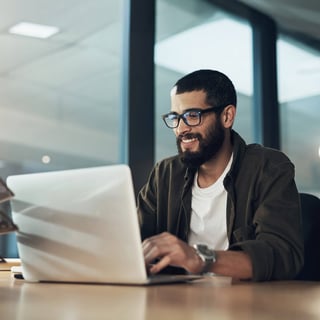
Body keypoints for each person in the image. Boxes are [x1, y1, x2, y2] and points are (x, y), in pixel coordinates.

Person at [137, 69, 304, 281]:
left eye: (192, 116)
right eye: (175, 117)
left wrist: (200, 258)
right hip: (177, 302)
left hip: (246, 304)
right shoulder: (165, 174)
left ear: (227, 116)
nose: (180, 129)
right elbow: (134, 239)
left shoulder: (268, 167)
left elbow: (282, 254)